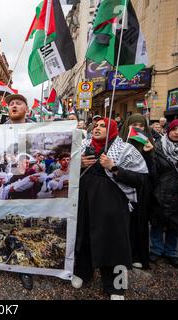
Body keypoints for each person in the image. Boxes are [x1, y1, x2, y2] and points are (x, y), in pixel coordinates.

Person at [72, 118, 148, 300]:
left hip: (112, 204)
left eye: (103, 126)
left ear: (113, 129)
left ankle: (116, 286)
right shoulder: (81, 146)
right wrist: (78, 164)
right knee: (84, 236)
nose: (97, 128)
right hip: (84, 201)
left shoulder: (126, 149)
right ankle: (83, 271)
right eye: (96, 126)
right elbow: (65, 170)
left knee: (115, 242)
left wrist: (114, 167)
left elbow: (140, 180)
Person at [0, 93, 34, 290]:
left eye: (19, 103)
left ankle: (24, 268)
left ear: (26, 109)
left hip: (21, 187)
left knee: (20, 227)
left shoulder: (35, 130)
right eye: (11, 103)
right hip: (4, 184)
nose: (14, 106)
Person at [119, 114, 155, 270]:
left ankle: (137, 255)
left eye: (141, 125)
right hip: (121, 187)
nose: (137, 128)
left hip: (140, 191)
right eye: (134, 125)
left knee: (138, 222)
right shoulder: (119, 143)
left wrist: (148, 154)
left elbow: (151, 173)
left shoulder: (151, 144)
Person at [149, 119, 178, 269]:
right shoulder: (158, 147)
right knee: (157, 222)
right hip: (159, 191)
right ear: (168, 130)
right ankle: (156, 249)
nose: (176, 132)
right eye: (174, 129)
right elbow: (152, 170)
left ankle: (171, 252)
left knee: (175, 223)